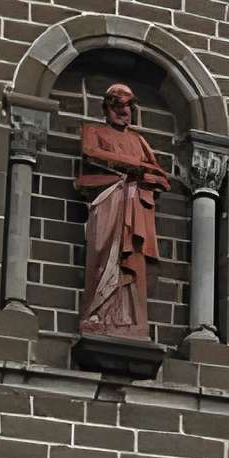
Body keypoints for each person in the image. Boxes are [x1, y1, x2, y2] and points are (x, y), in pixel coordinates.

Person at [76, 82, 171, 341]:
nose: (124, 111)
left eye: (129, 106)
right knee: (105, 255)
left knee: (133, 262)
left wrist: (142, 172)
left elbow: (161, 176)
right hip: (109, 202)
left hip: (134, 206)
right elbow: (90, 153)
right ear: (107, 107)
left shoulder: (138, 141)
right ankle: (98, 313)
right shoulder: (93, 130)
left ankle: (129, 321)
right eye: (118, 105)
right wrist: (136, 168)